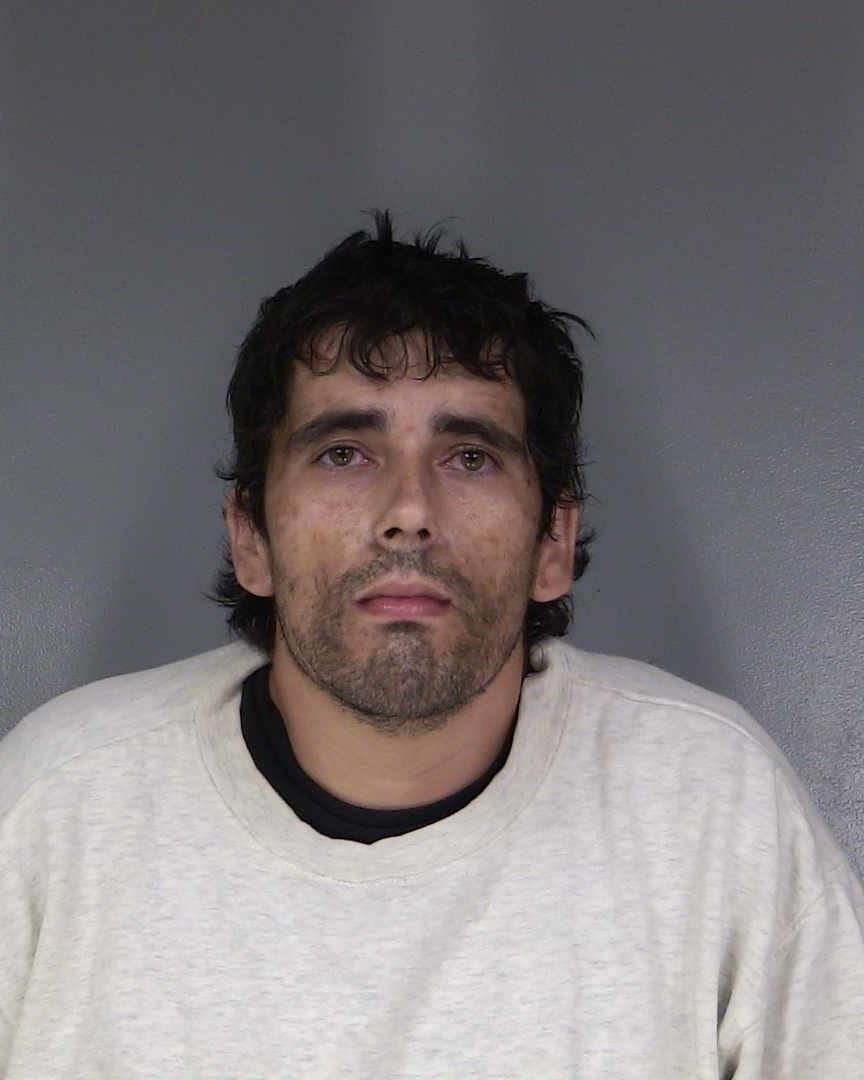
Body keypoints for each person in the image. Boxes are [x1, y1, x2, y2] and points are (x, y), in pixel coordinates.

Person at [1, 212, 862, 1079]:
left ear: (553, 543)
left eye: (470, 458)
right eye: (344, 453)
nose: (408, 511)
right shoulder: (55, 805)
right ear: (250, 538)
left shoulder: (714, 805)